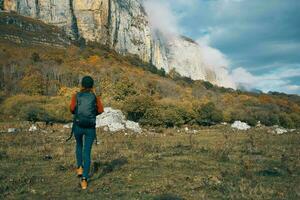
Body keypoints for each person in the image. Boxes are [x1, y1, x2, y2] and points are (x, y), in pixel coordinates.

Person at [69, 76, 104, 190]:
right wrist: (92, 115)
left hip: (78, 126)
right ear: (92, 86)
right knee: (87, 152)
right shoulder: (95, 97)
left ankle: (79, 167)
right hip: (90, 128)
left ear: (82, 85)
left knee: (79, 145)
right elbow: (100, 110)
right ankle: (84, 180)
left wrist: (79, 113)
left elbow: (72, 109)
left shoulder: (76, 96)